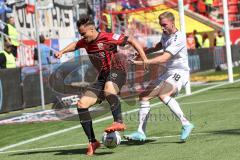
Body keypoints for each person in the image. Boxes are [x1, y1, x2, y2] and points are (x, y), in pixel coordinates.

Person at [55, 14, 147, 156]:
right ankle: (93, 141)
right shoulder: (85, 42)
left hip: (117, 70)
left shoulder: (107, 37)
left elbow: (132, 40)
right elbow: (75, 45)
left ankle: (118, 121)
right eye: (80, 34)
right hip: (103, 77)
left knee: (109, 88)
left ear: (92, 30)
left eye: (83, 34)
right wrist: (62, 51)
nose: (82, 37)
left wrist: (144, 58)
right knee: (81, 104)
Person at [124, 11, 194, 142]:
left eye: (164, 25)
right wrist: (142, 53)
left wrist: (142, 61)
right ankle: (140, 133)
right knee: (144, 96)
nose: (162, 27)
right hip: (168, 72)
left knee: (164, 94)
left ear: (172, 23)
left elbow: (164, 57)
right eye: (161, 25)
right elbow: (159, 46)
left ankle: (186, 124)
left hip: (180, 72)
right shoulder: (165, 34)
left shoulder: (179, 38)